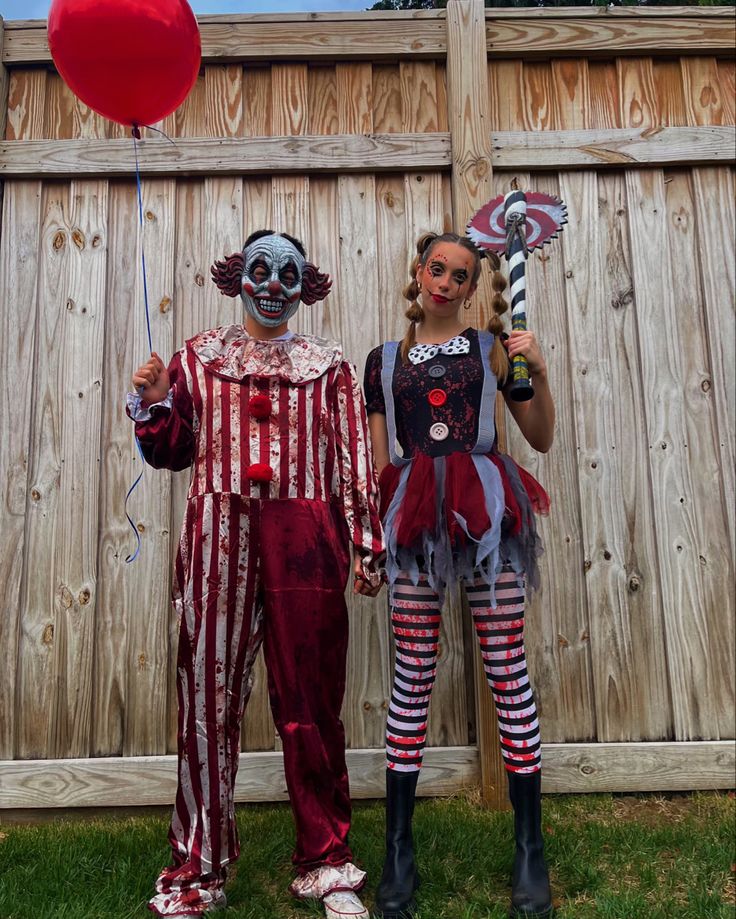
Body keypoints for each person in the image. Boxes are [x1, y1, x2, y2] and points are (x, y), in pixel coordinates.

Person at [128, 230, 384, 919]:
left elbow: (353, 456)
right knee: (207, 697)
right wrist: (155, 401)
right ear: (239, 275)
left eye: (289, 273)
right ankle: (197, 866)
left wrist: (365, 541)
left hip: (305, 535)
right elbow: (173, 451)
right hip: (218, 531)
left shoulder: (326, 365)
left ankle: (327, 860)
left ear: (307, 286)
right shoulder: (198, 357)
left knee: (311, 698)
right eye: (262, 268)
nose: (274, 283)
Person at [363, 231, 555, 919]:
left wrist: (535, 369)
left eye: (461, 274)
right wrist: (371, 541)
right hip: (414, 515)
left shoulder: (491, 348)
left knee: (507, 666)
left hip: (485, 508)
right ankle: (398, 849)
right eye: (436, 268)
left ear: (475, 288)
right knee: (413, 670)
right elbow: (382, 463)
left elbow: (539, 435)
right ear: (418, 272)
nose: (445, 281)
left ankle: (531, 846)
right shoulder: (383, 362)